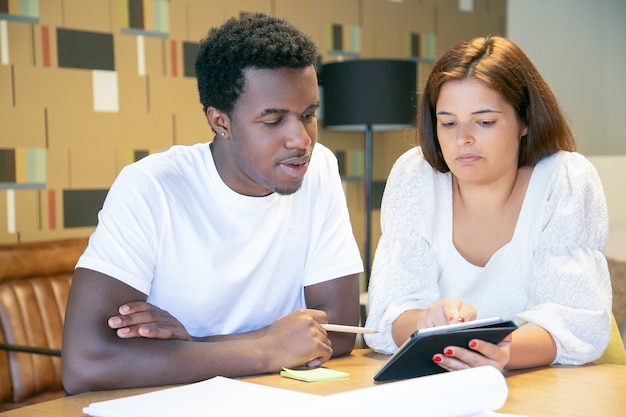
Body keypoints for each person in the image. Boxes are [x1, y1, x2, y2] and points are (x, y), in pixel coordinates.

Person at [62, 13, 363, 394]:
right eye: (273, 121)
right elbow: (86, 364)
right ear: (220, 121)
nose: (300, 139)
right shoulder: (151, 186)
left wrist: (192, 346)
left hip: (284, 399)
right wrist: (267, 350)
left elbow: (338, 331)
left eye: (308, 115)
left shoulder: (319, 168)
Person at [364, 35, 612, 372]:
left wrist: (501, 352)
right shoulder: (416, 176)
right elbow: (386, 317)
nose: (462, 138)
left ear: (524, 122)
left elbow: (574, 324)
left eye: (485, 122)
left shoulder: (563, 180)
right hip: (440, 386)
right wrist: (425, 322)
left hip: (543, 387)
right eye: (448, 122)